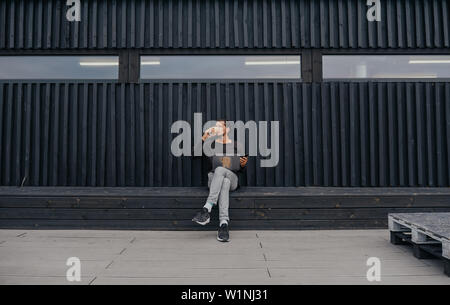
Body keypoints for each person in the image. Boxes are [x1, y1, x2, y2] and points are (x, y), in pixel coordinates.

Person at [191, 119, 248, 242]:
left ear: (227, 129)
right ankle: (223, 224)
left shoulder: (237, 145)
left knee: (221, 171)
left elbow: (241, 169)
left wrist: (243, 165)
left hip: (232, 177)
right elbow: (194, 154)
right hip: (214, 180)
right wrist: (204, 136)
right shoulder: (210, 145)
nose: (216, 129)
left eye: (219, 126)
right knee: (224, 182)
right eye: (215, 126)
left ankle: (207, 209)